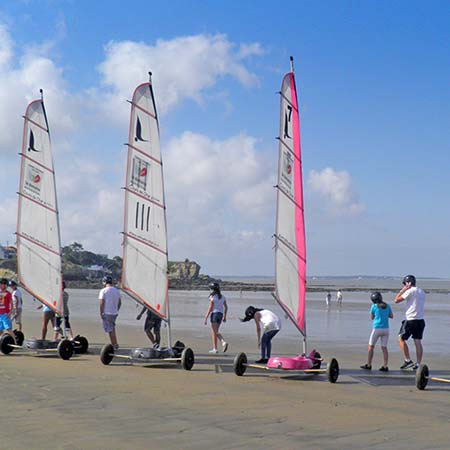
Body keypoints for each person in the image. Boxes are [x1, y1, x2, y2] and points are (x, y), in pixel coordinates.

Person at [395, 274, 426, 370]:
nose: (404, 285)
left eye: (405, 284)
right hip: (420, 320)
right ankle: (418, 364)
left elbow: (396, 300)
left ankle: (407, 360)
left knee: (400, 338)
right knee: (417, 341)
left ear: (408, 283)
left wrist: (402, 290)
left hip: (410, 320)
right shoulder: (422, 292)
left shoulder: (410, 291)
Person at [360, 292, 393, 372]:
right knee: (384, 348)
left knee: (371, 347)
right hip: (386, 329)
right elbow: (391, 316)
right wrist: (385, 315)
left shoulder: (374, 306)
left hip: (377, 329)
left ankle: (369, 364)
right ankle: (385, 366)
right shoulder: (387, 306)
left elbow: (372, 317)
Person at [203, 282, 228, 354]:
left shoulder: (212, 297)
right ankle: (216, 348)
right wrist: (224, 316)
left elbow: (210, 308)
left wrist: (206, 317)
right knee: (215, 332)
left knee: (214, 332)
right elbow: (226, 307)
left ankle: (222, 343)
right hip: (220, 314)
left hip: (214, 314)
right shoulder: (223, 297)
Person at [99, 275, 121, 350]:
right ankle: (114, 343)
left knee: (110, 329)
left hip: (107, 312)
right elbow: (120, 302)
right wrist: (116, 309)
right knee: (111, 328)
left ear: (104, 282)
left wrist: (101, 313)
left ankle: (115, 345)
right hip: (114, 313)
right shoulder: (116, 290)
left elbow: (102, 302)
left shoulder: (103, 290)